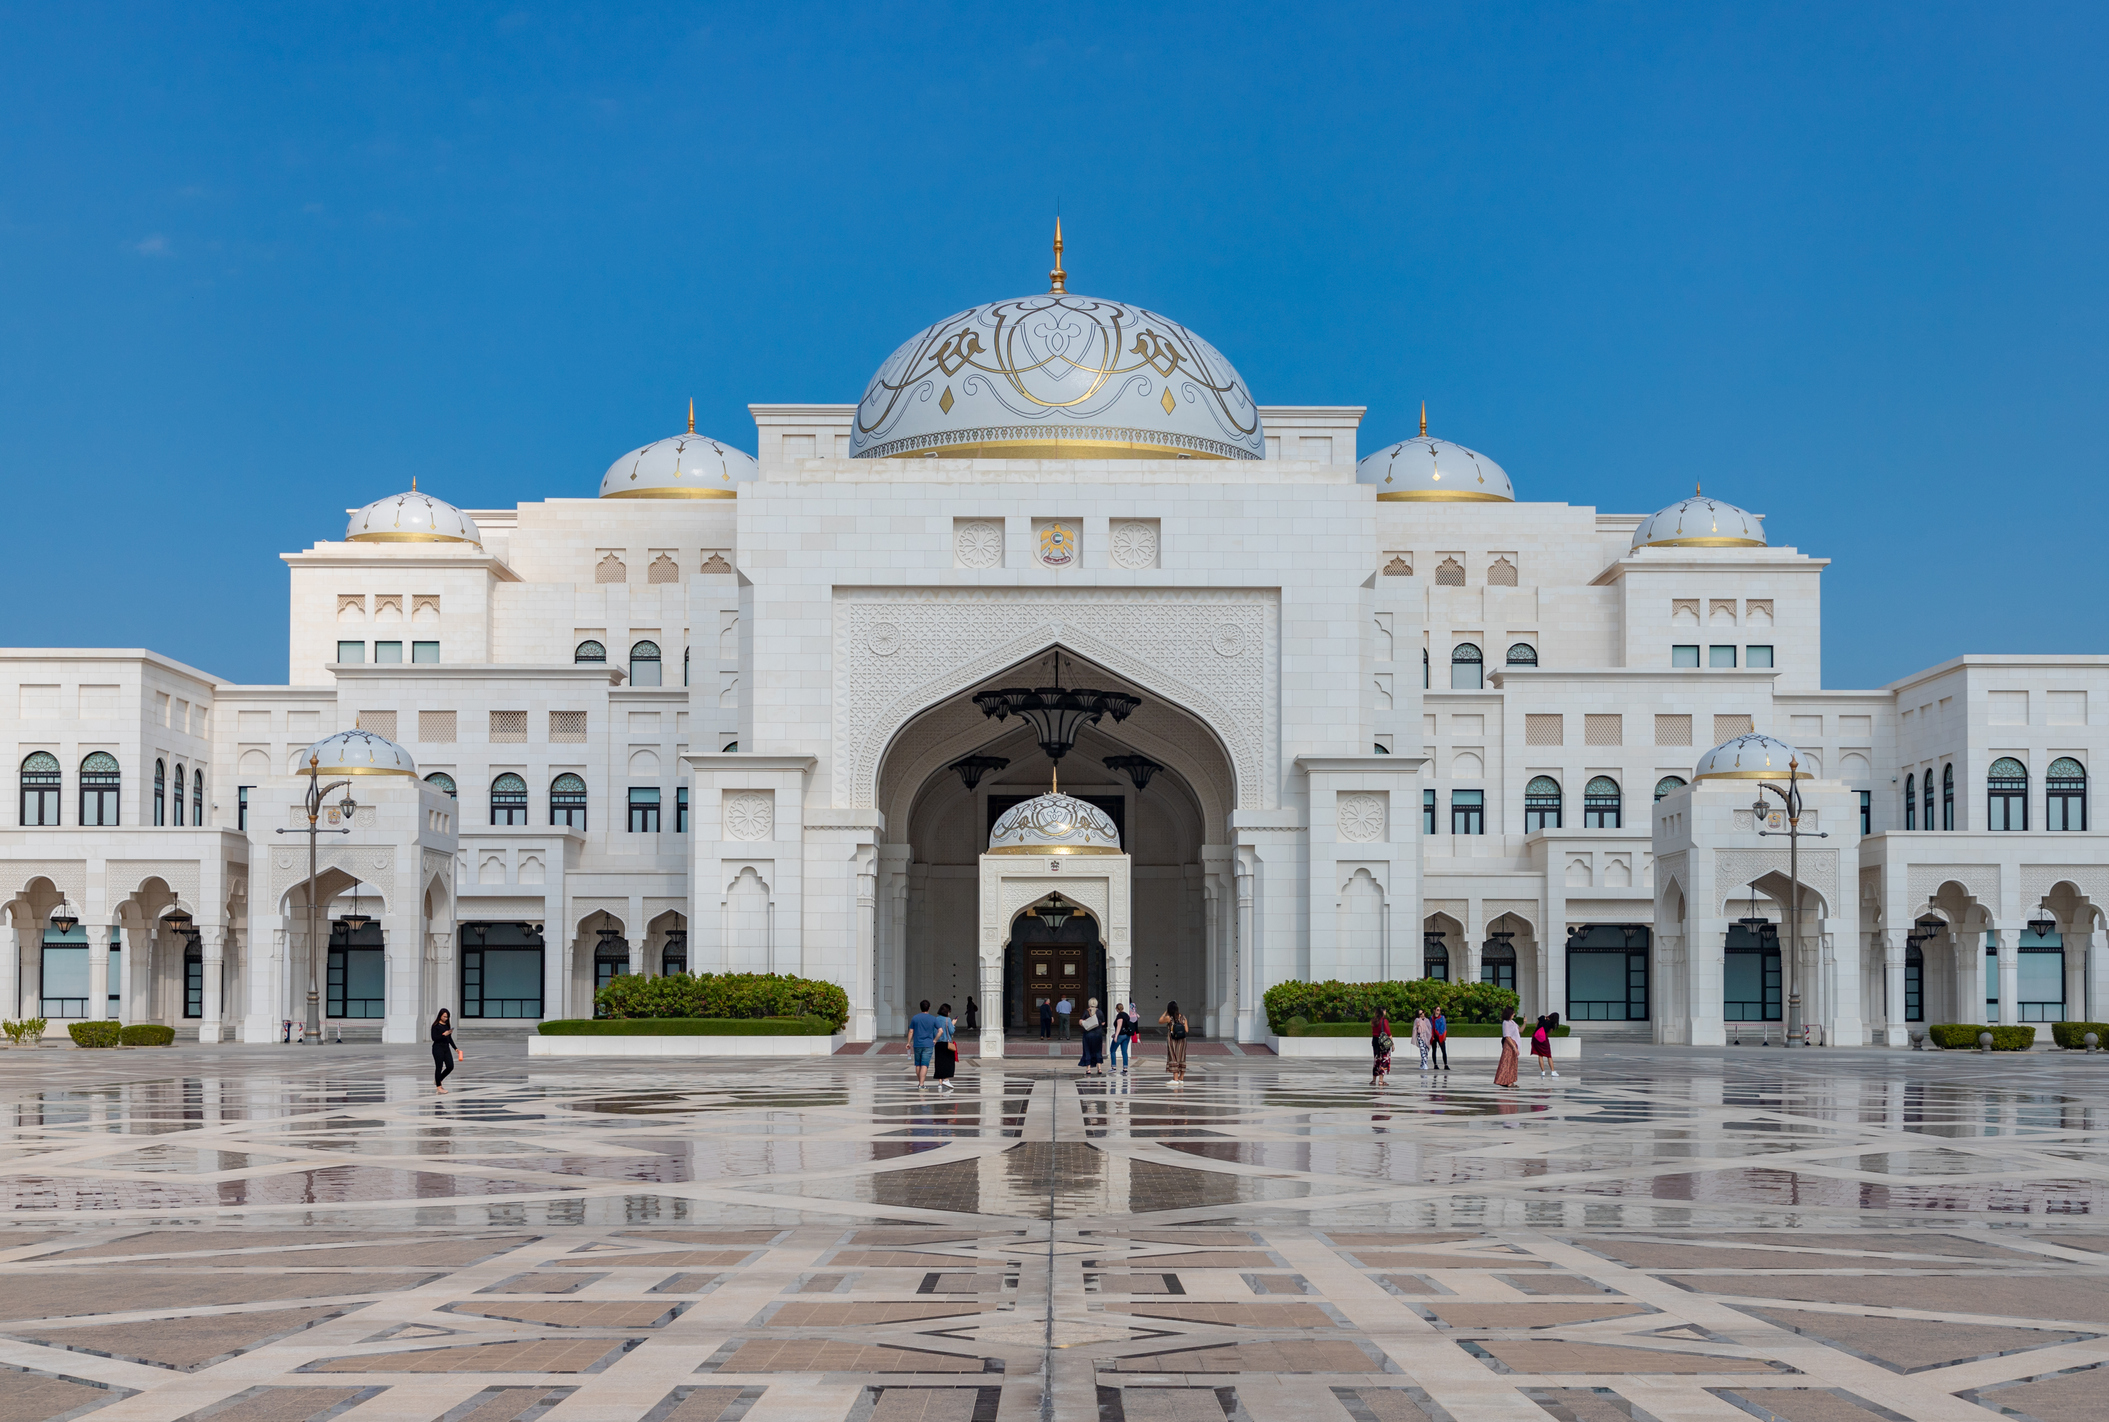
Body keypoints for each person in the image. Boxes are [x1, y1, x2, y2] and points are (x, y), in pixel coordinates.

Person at [907, 999, 942, 1088]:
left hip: (917, 1044)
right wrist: (935, 1039)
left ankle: (920, 1083)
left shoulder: (915, 1018)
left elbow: (911, 1031)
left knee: (918, 1064)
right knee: (924, 1064)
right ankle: (921, 1084)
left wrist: (908, 1042)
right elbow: (940, 1031)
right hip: (928, 1044)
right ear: (929, 1008)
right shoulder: (933, 1018)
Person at [431, 1008, 462, 1093]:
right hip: (438, 1048)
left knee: (450, 1066)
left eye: (447, 1017)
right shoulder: (435, 1026)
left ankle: (438, 1079)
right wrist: (443, 1034)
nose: (446, 1018)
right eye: (444, 1016)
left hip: (446, 1048)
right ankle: (439, 1087)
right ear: (440, 1016)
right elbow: (434, 1038)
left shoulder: (446, 1025)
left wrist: (455, 1048)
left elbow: (449, 1038)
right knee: (439, 1067)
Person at [1160, 1000, 1189, 1085]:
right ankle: (1181, 1078)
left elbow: (1160, 1020)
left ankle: (1175, 1078)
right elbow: (1186, 1030)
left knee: (1173, 1057)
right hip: (1182, 1040)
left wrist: (1165, 1012)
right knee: (1182, 1057)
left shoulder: (1169, 1018)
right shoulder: (1183, 1017)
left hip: (1172, 1040)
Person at [933, 1002, 958, 1091]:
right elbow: (951, 1031)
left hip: (938, 1043)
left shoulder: (936, 1019)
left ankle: (940, 1082)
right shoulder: (948, 1020)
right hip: (946, 1043)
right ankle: (946, 1080)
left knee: (939, 1062)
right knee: (947, 1062)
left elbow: (934, 1032)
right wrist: (953, 1024)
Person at [1494, 1007, 1521, 1088]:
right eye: (1512, 1013)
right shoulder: (1506, 1023)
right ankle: (1504, 1080)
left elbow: (1520, 1030)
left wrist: (1525, 1023)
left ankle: (1511, 1081)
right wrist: (1514, 1047)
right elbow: (1507, 1036)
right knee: (1507, 1062)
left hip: (1514, 1044)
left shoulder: (1512, 1022)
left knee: (1513, 1063)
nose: (1514, 1014)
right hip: (1509, 1045)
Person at [1079, 997, 1105, 1074]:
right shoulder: (1099, 1012)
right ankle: (1099, 1068)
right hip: (1097, 1034)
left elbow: (1080, 1021)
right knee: (1098, 1050)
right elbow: (1103, 1023)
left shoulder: (1086, 1012)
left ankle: (1088, 1068)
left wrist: (1086, 1023)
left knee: (1087, 1050)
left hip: (1088, 1034)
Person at [1532, 1012, 1560, 1078]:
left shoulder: (1542, 1018)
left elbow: (1536, 1025)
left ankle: (1543, 1071)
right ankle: (1552, 1071)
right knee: (1548, 1055)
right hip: (1544, 1038)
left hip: (1536, 1038)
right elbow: (1550, 1031)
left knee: (1540, 1055)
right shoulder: (1552, 1023)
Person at [1109, 1001, 1134, 1072]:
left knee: (1112, 1050)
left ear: (1117, 1009)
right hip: (1127, 1035)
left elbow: (1119, 1026)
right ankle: (1125, 1068)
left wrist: (1116, 1035)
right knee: (1124, 1052)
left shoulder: (1119, 1016)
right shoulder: (1126, 1015)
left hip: (1120, 1035)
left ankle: (1113, 1067)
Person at [1371, 1009, 1392, 1086]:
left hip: (1375, 1041)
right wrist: (1392, 1044)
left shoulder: (1374, 1021)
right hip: (1383, 1042)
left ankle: (1374, 1079)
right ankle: (1381, 1080)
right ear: (1382, 1012)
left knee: (1376, 1060)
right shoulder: (1384, 1021)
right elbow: (1388, 1033)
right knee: (1384, 1060)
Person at [1430, 1006, 1450, 1071]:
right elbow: (1430, 1026)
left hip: (1440, 1035)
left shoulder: (1442, 1017)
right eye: (1437, 1010)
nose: (1438, 1011)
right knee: (1434, 1050)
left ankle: (1445, 1064)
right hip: (1433, 1035)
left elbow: (1444, 1027)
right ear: (1434, 1010)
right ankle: (1435, 1064)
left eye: (1439, 1010)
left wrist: (1443, 1035)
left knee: (1443, 1050)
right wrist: (1431, 1035)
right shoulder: (1431, 1018)